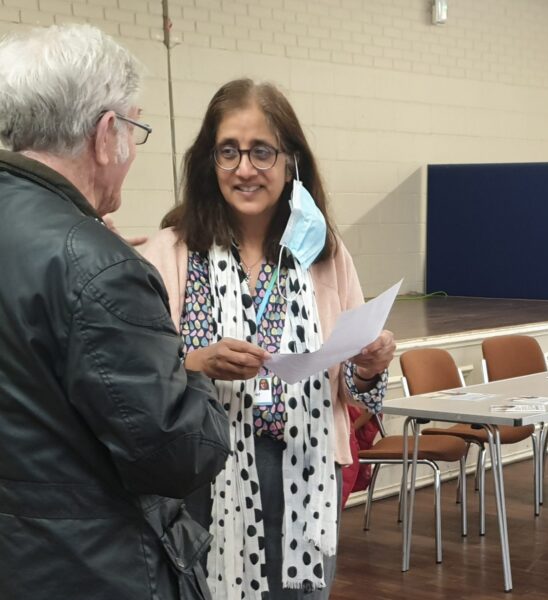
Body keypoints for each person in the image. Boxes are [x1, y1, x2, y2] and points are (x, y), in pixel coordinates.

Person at [139, 78, 396, 599]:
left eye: (261, 151)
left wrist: (367, 366)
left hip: (304, 471)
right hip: (199, 478)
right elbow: (136, 374)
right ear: (208, 162)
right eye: (228, 151)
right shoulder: (168, 252)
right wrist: (197, 361)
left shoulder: (323, 253)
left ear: (289, 160)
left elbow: (353, 387)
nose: (245, 168)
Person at [0, 24, 230, 600]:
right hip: (93, 568)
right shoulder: (100, 268)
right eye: (135, 127)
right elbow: (177, 454)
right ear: (107, 135)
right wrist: (191, 370)